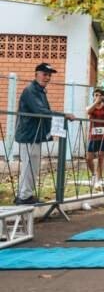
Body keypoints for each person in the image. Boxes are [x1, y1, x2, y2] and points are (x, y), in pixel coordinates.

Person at [14, 63, 75, 205]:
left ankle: (26, 195)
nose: (47, 77)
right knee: (29, 166)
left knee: (32, 166)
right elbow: (40, 111)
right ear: (36, 74)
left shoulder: (40, 91)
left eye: (49, 75)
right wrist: (63, 115)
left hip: (35, 134)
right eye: (44, 74)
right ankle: (23, 197)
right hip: (29, 134)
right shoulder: (31, 90)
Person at [86, 87, 104, 191]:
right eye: (96, 95)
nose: (98, 97)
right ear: (93, 97)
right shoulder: (91, 107)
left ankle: (99, 179)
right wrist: (96, 102)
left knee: (101, 158)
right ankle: (93, 174)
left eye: (100, 95)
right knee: (89, 157)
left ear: (103, 97)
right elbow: (88, 111)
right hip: (93, 135)